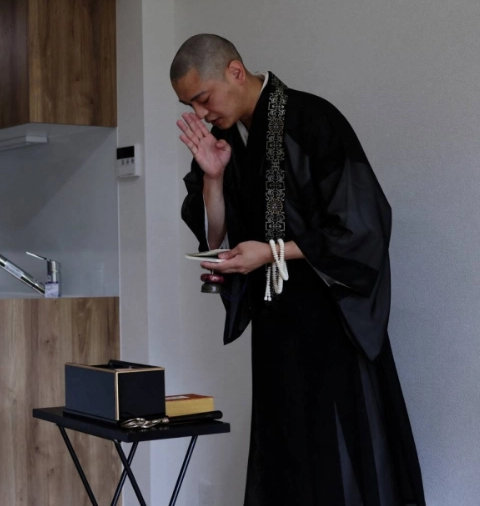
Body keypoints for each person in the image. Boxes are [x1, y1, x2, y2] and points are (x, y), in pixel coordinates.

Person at [172, 34, 425, 505]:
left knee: (339, 455)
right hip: (276, 324)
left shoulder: (312, 119)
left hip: (332, 319)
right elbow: (213, 237)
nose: (201, 114)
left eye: (203, 99)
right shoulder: (223, 140)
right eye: (190, 105)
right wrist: (212, 178)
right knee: (285, 451)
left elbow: (362, 225)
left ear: (234, 71)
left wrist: (270, 253)